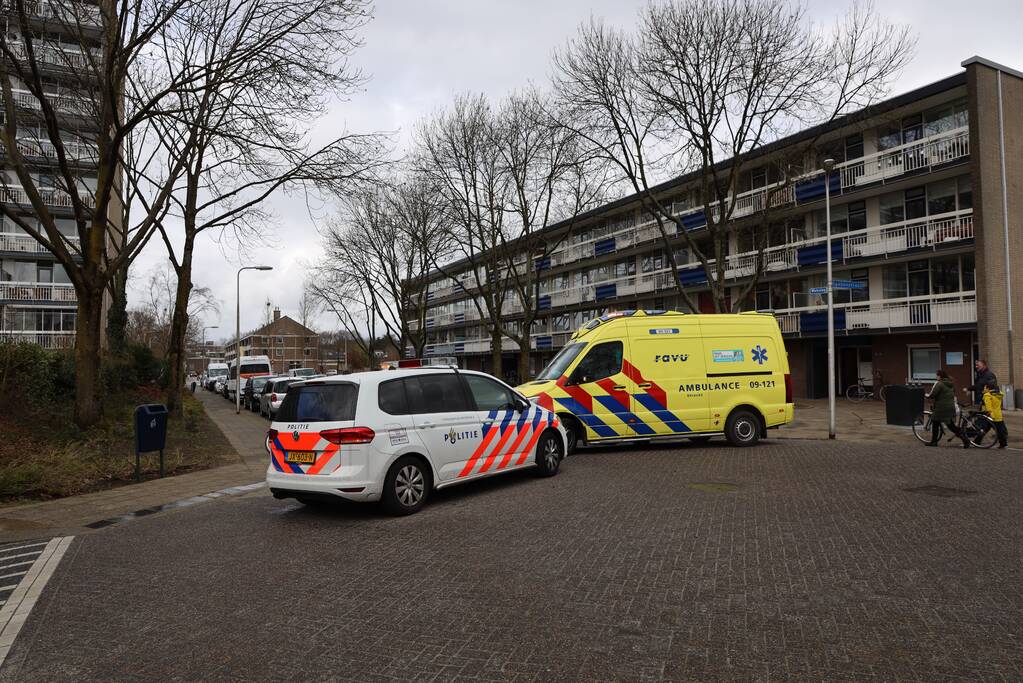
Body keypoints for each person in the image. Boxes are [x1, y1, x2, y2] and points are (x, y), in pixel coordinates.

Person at [926, 369, 970, 448]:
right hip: (950, 406)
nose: (936, 377)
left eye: (937, 375)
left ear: (939, 376)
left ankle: (934, 442)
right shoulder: (950, 383)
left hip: (941, 407)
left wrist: (927, 396)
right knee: (951, 426)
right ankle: (965, 440)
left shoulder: (939, 384)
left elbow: (933, 395)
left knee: (935, 422)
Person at [982, 381, 1009, 449]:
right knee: (1000, 430)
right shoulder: (998, 394)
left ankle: (977, 441)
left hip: (991, 415)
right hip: (998, 414)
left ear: (988, 388)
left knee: (985, 429)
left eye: (985, 387)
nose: (984, 389)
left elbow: (989, 407)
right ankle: (1004, 444)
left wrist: (990, 415)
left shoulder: (987, 395)